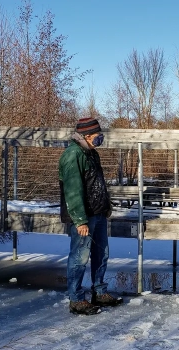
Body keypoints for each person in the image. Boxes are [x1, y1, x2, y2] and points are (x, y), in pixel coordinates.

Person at [59, 117, 123, 315]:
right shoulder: (73, 155)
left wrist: (106, 206)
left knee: (101, 254)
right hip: (84, 217)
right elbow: (72, 190)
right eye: (98, 136)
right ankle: (76, 298)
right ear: (86, 136)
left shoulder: (91, 153)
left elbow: (98, 184)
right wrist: (80, 220)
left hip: (98, 213)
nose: (100, 139)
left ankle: (99, 292)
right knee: (79, 257)